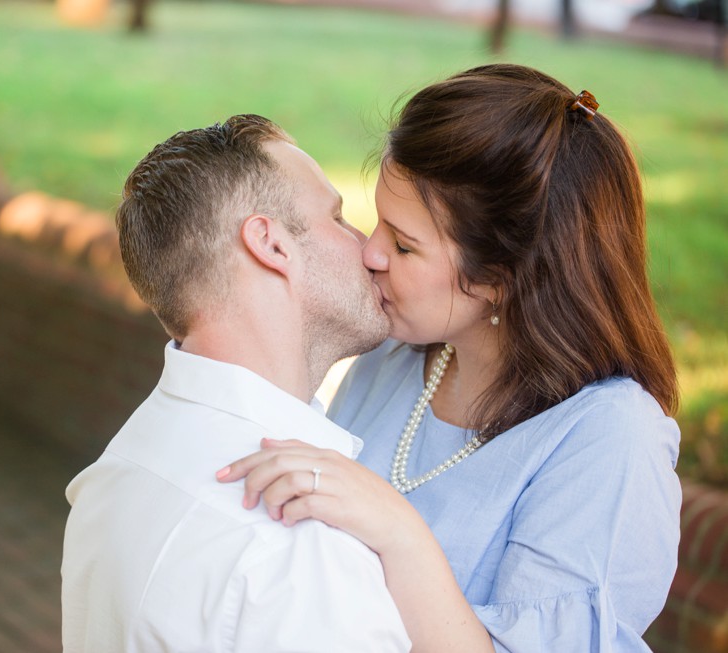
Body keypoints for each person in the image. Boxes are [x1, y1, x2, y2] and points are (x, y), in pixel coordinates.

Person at [217, 64, 682, 652]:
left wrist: (397, 533)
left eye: (404, 244)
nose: (370, 253)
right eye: (377, 221)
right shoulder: (394, 354)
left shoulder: (610, 438)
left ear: (502, 276)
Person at [60, 115, 412, 652]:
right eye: (338, 218)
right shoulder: (303, 540)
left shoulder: (114, 471)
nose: (367, 248)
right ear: (271, 246)